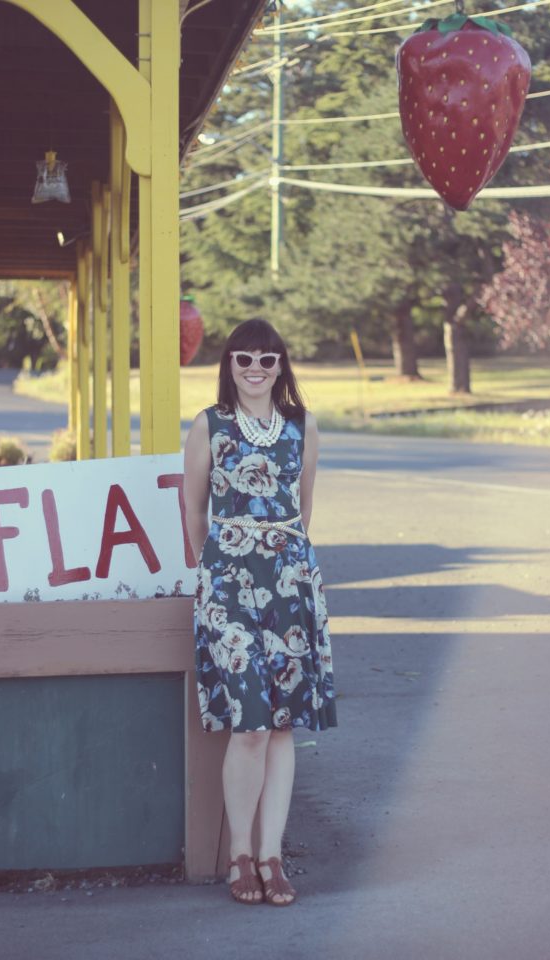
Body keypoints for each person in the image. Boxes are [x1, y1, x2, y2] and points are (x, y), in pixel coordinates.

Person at [184, 318, 337, 907]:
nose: (254, 368)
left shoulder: (303, 426)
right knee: (249, 723)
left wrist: (288, 569)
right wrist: (211, 576)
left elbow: (304, 507)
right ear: (228, 364)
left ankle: (271, 856)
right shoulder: (211, 425)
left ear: (281, 366)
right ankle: (238, 855)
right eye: (243, 358)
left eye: (266, 360)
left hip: (291, 585)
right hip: (227, 586)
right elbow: (194, 509)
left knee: (280, 725)